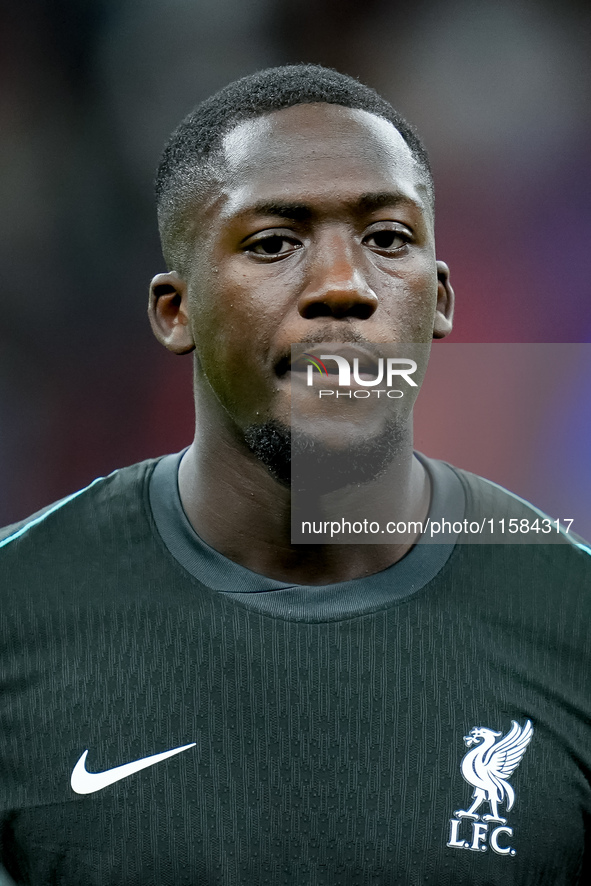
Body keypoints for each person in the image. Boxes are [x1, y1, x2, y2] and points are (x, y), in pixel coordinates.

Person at [0, 64, 589, 886]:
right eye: (274, 242)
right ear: (177, 311)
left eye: (387, 239)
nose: (343, 287)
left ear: (442, 301)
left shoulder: (572, 623)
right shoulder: (19, 608)